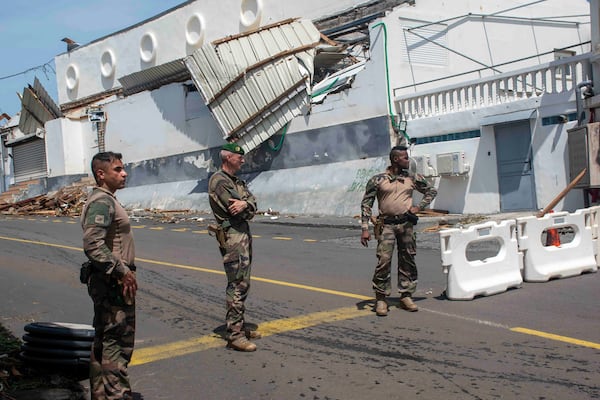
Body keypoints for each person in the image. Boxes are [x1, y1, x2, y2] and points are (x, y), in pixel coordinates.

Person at [81, 151, 138, 399]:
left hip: (110, 279)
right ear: (101, 174)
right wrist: (122, 272)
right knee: (117, 344)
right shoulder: (102, 202)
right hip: (114, 282)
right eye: (117, 169)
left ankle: (101, 394)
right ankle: (117, 394)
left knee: (103, 341)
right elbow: (93, 244)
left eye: (123, 168)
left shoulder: (107, 199)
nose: (124, 173)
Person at [360, 145, 437, 316]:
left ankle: (406, 296)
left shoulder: (411, 177)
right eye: (405, 158)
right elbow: (366, 204)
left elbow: (431, 190)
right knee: (384, 261)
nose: (408, 160)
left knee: (408, 260)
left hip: (406, 225)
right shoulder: (378, 180)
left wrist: (419, 207)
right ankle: (381, 298)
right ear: (395, 159)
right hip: (386, 225)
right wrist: (365, 228)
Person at [208, 143, 260, 351]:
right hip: (233, 237)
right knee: (237, 284)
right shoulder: (219, 181)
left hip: (241, 235)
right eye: (240, 156)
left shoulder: (236, 181)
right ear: (228, 157)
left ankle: (238, 325)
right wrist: (247, 205)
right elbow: (238, 209)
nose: (243, 160)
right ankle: (235, 335)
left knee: (243, 283)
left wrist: (247, 204)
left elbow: (251, 204)